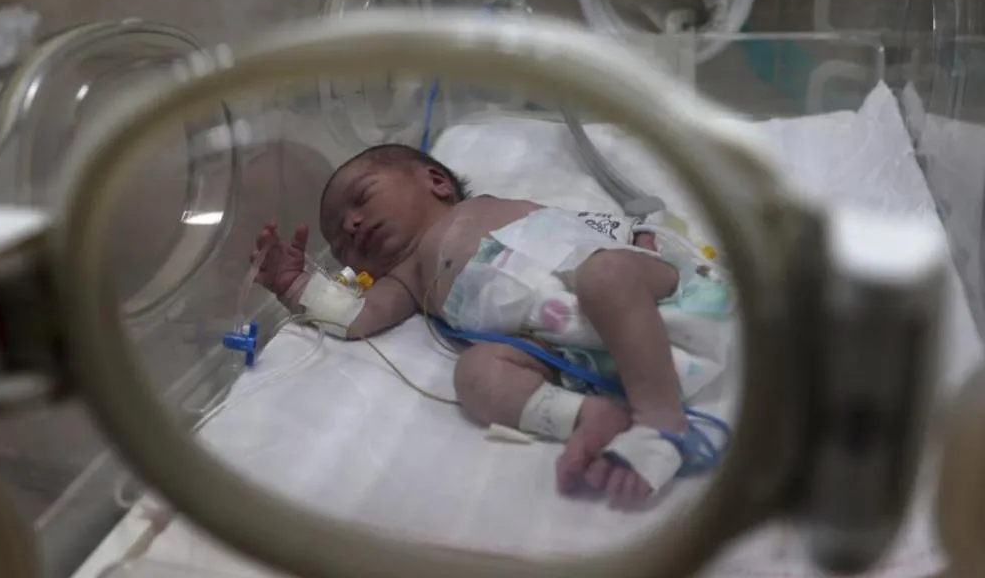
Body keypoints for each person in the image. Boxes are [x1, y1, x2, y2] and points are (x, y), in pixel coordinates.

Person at [252, 144, 729, 509]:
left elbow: (593, 227)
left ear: (437, 181)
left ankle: (659, 418)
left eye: (362, 199)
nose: (352, 225)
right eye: (341, 242)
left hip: (638, 295)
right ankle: (586, 415)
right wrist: (294, 286)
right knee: (474, 375)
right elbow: (355, 318)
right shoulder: (405, 279)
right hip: (559, 349)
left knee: (605, 275)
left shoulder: (489, 207)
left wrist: (640, 238)